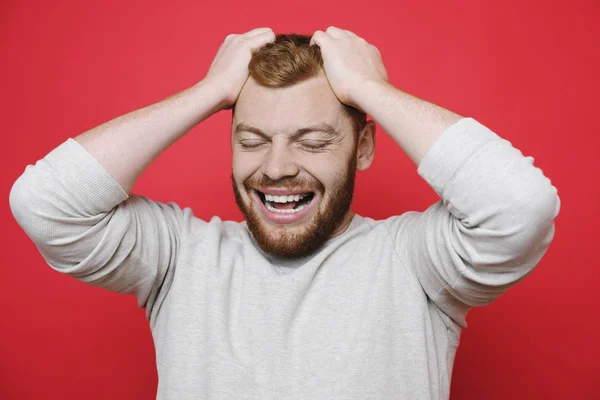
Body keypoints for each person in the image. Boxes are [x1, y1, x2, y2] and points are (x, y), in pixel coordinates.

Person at [9, 27, 560, 400]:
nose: (276, 167)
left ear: (363, 147)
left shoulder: (417, 263)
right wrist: (210, 91)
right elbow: (44, 205)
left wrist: (370, 88)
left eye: (313, 141)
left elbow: (521, 208)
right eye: (252, 140)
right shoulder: (179, 256)